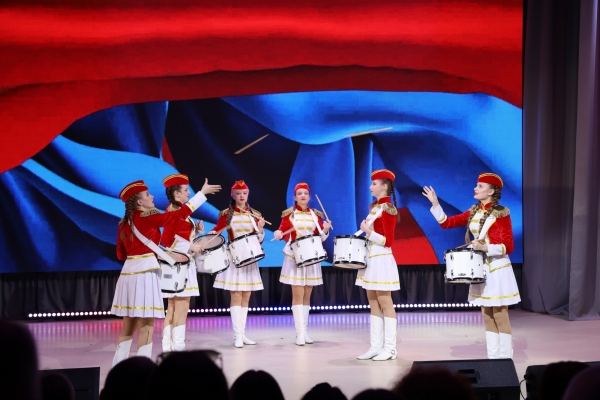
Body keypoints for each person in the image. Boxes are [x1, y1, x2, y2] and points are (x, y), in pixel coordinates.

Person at [111, 178, 220, 366]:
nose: (152, 196)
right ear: (139, 202)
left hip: (127, 275)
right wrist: (201, 194)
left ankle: (117, 369)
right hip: (145, 274)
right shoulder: (148, 217)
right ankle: (144, 370)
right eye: (147, 194)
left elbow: (120, 254)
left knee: (127, 327)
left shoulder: (123, 223)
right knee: (146, 326)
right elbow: (179, 215)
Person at [422, 172, 520, 359]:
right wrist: (435, 204)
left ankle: (505, 358)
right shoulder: (474, 211)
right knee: (486, 314)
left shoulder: (501, 213)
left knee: (500, 314)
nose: (475, 188)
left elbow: (508, 246)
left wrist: (486, 247)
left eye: (480, 186)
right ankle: (493, 358)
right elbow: (447, 223)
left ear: (491, 191)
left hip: (497, 268)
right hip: (481, 269)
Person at [273, 182, 332, 346]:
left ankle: (305, 331)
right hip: (296, 257)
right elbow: (281, 231)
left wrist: (325, 229)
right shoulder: (289, 215)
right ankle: (299, 333)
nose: (303, 196)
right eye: (299, 193)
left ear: (309, 196)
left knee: (307, 295)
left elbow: (320, 238)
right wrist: (278, 233)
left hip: (311, 257)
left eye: (305, 193)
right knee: (298, 295)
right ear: (295, 197)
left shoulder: (316, 215)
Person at [210, 180, 265, 348]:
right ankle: (237, 336)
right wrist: (210, 236)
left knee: (246, 296)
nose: (242, 196)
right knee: (236, 295)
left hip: (249, 258)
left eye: (244, 193)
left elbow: (258, 240)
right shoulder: (226, 214)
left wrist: (260, 229)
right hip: (235, 257)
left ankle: (243, 333)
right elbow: (217, 231)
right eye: (238, 193)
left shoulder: (254, 214)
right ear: (232, 195)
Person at [355, 169, 401, 361]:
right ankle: (375, 347)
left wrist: (368, 231)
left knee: (385, 301)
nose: (370, 187)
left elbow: (388, 241)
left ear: (384, 186)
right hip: (371, 258)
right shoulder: (375, 208)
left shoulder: (388, 208)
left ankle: (390, 348)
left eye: (374, 184)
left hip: (382, 258)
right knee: (373, 302)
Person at [160, 174, 206, 352]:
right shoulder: (174, 211)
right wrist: (190, 246)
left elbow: (179, 235)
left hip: (180, 263)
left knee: (173, 307)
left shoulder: (177, 210)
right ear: (176, 193)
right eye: (186, 190)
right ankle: (178, 348)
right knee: (181, 307)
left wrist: (195, 231)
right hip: (180, 264)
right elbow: (166, 240)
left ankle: (168, 347)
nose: (188, 193)